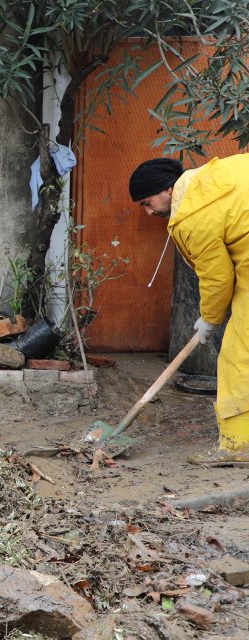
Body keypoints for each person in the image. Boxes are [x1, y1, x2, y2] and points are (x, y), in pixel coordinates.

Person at [129, 154, 249, 466]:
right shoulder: (219, 171)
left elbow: (218, 278)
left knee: (238, 356)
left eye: (147, 202)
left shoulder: (193, 216)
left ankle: (238, 445)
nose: (149, 211)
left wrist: (209, 319)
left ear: (167, 190)